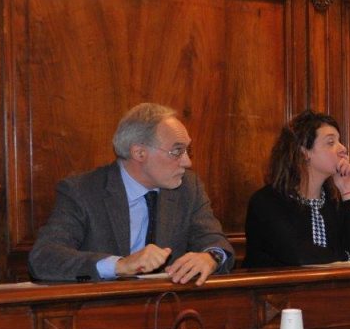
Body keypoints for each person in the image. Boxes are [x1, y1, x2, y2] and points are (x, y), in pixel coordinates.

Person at [28, 103, 233, 285]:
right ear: (139, 153)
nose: (187, 162)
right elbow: (44, 258)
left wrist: (210, 257)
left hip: (169, 308)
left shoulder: (188, 187)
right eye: (177, 151)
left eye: (188, 150)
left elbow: (215, 241)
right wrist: (120, 265)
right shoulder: (82, 191)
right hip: (101, 310)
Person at [244, 110, 350, 267]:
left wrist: (348, 192)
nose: (343, 149)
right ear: (304, 153)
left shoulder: (336, 202)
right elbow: (299, 255)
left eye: (339, 141)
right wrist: (348, 258)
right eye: (331, 142)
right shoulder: (266, 202)